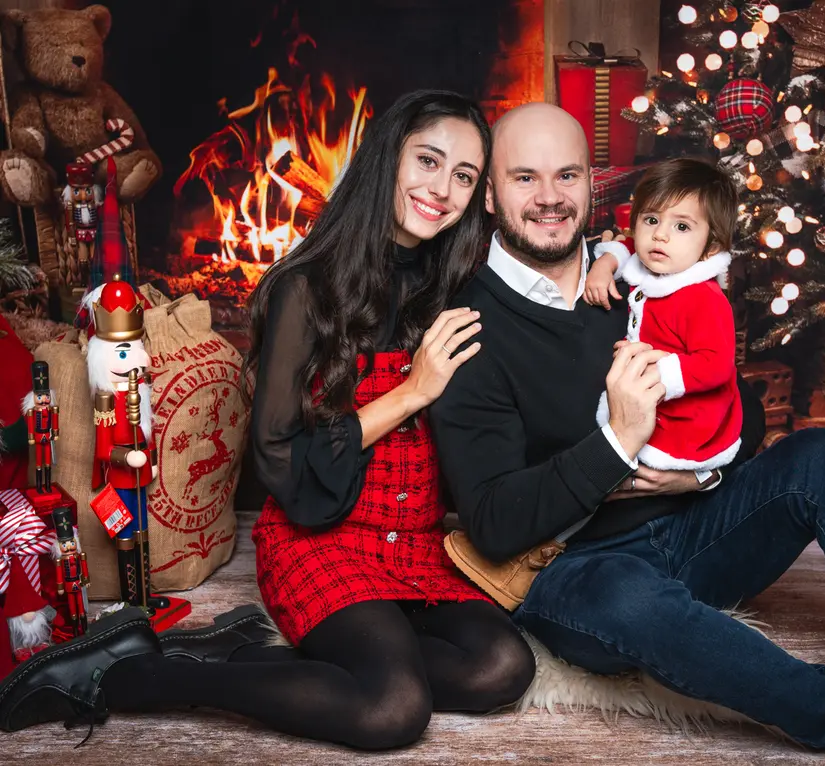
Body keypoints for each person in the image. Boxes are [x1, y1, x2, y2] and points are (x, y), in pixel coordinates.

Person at [428, 101, 825, 766]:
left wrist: (699, 473)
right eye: (523, 178)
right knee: (623, 597)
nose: (548, 198)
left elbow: (736, 399)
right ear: (488, 193)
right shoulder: (470, 329)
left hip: (692, 526)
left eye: (566, 176)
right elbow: (493, 522)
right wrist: (615, 448)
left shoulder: (646, 269)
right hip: (581, 571)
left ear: (593, 185)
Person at [0, 90, 534, 750]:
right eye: (427, 160)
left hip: (415, 546)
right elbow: (282, 465)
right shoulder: (304, 289)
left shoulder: (455, 286)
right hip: (323, 539)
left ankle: (226, 655)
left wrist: (602, 271)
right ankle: (136, 678)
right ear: (387, 159)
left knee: (502, 667)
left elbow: (543, 286)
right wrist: (409, 393)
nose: (442, 188)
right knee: (391, 709)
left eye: (464, 175)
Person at [585, 158, 742, 475]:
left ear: (711, 247)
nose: (661, 236)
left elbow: (716, 365)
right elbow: (628, 244)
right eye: (651, 220)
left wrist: (656, 373)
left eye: (682, 226)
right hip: (644, 399)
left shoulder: (703, 298)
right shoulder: (655, 258)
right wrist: (606, 263)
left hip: (687, 416)